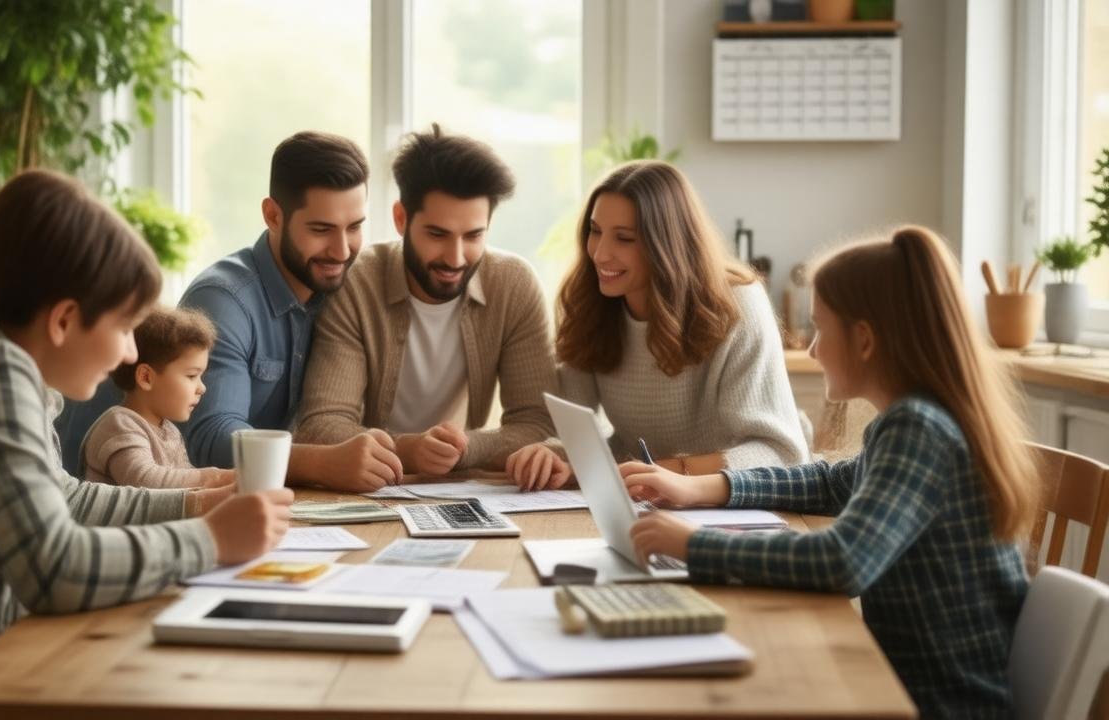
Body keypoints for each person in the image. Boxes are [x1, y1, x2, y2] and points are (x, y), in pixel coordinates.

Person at [0, 170, 293, 717]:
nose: (129, 354)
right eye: (125, 327)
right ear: (64, 320)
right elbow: (55, 571)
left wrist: (197, 503)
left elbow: (61, 497)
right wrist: (210, 540)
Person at [620, 226, 1039, 717]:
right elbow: (829, 482)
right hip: (909, 691)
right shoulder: (913, 420)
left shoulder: (919, 428)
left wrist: (694, 545)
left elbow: (842, 561)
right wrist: (700, 488)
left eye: (821, 328)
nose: (814, 350)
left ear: (864, 340)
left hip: (938, 705)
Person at [56, 131, 396, 491]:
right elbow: (210, 439)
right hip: (98, 500)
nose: (342, 250)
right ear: (273, 216)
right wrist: (323, 463)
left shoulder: (331, 291)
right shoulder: (224, 299)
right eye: (321, 229)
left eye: (354, 227)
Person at [505, 160, 809, 491]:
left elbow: (783, 453)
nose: (600, 254)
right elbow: (578, 434)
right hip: (641, 495)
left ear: (668, 244)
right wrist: (556, 457)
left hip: (732, 500)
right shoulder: (589, 303)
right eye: (595, 231)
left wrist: (668, 473)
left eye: (624, 238)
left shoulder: (739, 305)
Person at [295, 124, 557, 490]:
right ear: (401, 219)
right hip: (369, 489)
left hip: (460, 487)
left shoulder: (514, 284)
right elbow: (321, 424)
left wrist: (465, 448)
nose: (455, 257)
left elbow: (538, 423)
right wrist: (408, 450)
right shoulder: (357, 283)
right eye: (437, 234)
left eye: (473, 235)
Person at [81, 306, 234, 488]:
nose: (202, 388)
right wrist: (217, 478)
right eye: (192, 376)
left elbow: (186, 484)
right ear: (146, 377)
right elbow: (144, 480)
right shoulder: (119, 425)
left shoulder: (170, 430)